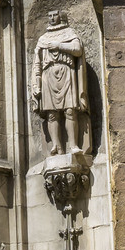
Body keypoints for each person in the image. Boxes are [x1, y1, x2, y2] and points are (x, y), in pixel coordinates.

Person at [30, 19, 90, 156]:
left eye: (54, 14)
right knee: (52, 114)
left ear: (61, 16)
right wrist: (36, 83)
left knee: (70, 111)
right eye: (49, 15)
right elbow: (37, 63)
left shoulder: (70, 33)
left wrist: (59, 45)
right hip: (48, 75)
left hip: (67, 71)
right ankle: (57, 147)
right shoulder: (43, 39)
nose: (51, 18)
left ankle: (73, 145)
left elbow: (78, 50)